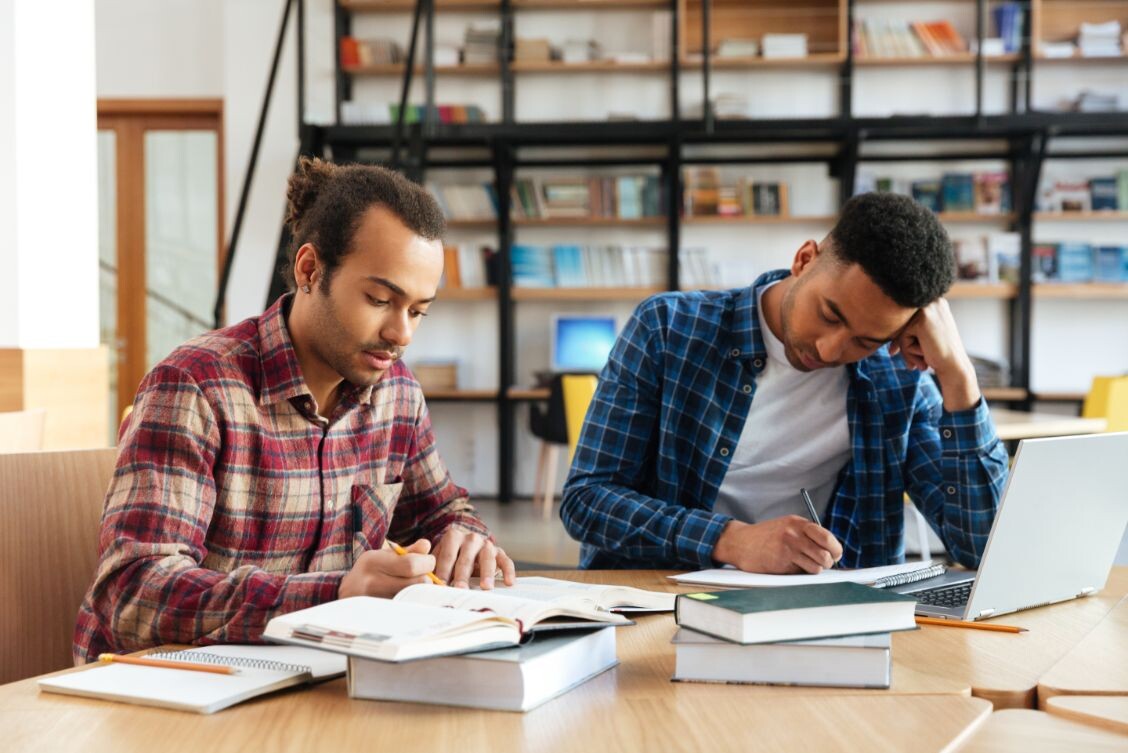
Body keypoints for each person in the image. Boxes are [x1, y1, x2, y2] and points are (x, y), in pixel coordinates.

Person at [75, 157, 515, 663]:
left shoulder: (397, 393)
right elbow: (132, 594)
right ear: (310, 270)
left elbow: (442, 510)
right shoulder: (195, 386)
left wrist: (465, 536)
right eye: (379, 299)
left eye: (417, 310)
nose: (402, 334)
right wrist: (335, 596)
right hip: (166, 691)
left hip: (309, 678)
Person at [560, 192, 1009, 573]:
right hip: (667, 603)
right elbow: (588, 500)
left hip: (830, 626)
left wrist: (958, 375)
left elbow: (984, 545)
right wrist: (731, 541)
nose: (832, 350)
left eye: (866, 340)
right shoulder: (669, 328)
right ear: (804, 260)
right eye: (830, 314)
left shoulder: (897, 377)